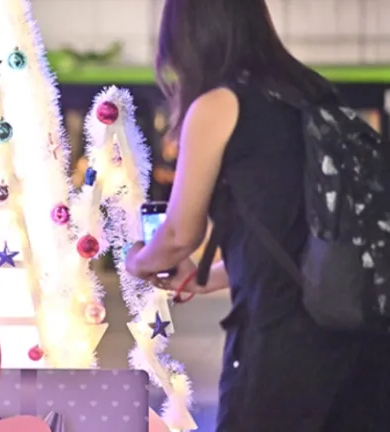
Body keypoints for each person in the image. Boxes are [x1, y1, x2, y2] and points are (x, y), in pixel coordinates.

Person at [124, 0, 390, 431]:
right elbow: (299, 239)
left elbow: (177, 234)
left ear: (188, 36)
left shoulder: (217, 105)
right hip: (360, 339)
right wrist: (202, 277)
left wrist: (136, 260)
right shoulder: (308, 94)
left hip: (281, 347)